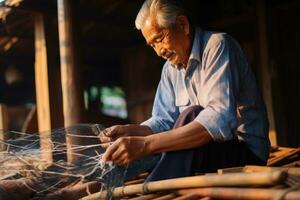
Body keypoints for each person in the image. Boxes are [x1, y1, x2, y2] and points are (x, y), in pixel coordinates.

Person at [100, 0, 270, 181]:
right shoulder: (169, 69)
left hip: (244, 154)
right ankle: (101, 182)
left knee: (192, 115)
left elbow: (218, 118)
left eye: (159, 39)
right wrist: (134, 131)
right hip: (204, 151)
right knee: (166, 140)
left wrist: (145, 145)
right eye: (152, 45)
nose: (158, 51)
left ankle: (154, 182)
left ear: (183, 25)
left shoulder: (218, 46)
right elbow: (164, 121)